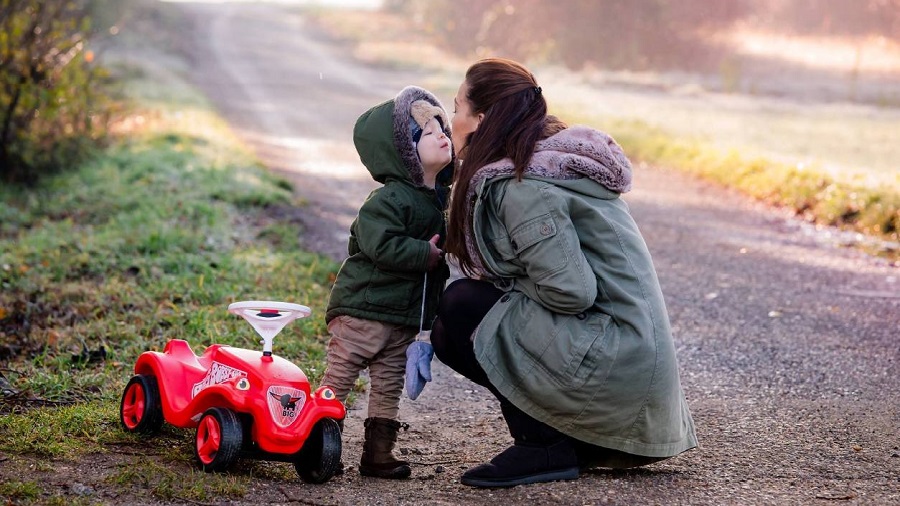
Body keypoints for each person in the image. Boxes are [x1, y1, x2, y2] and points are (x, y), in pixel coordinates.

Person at [433, 58, 698, 488]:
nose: (453, 121)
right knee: (452, 325)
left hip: (619, 363)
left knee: (462, 305)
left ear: (482, 120)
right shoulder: (543, 162)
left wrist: (497, 286)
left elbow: (570, 292)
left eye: (458, 107)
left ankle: (542, 446)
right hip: (627, 363)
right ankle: (568, 439)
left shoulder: (524, 187)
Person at [321, 85, 453, 479]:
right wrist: (423, 255)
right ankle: (316, 443)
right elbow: (380, 244)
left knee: (388, 385)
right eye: (428, 134)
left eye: (442, 128)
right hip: (364, 309)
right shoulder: (389, 200)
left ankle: (377, 455)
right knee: (339, 378)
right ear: (404, 152)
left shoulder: (437, 198)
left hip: (400, 317)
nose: (442, 135)